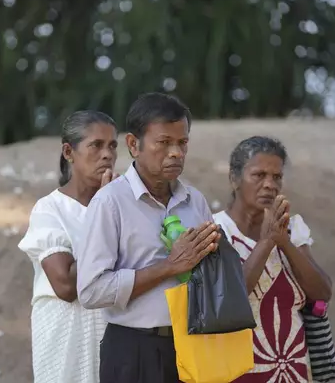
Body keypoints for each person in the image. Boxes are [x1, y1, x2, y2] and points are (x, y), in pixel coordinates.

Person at [76, 92, 221, 383]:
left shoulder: (196, 202)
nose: (176, 153)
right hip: (135, 352)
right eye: (164, 142)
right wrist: (169, 266)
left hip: (193, 347)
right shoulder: (109, 203)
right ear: (133, 145)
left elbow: (212, 278)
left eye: (182, 143)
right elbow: (91, 291)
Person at [212, 136, 333, 383]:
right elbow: (229, 299)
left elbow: (322, 292)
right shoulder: (215, 230)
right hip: (236, 373)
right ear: (234, 179)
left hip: (293, 371)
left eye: (277, 177)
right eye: (259, 175)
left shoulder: (292, 229)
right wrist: (266, 243)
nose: (270, 185)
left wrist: (284, 241)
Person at [18, 110, 119, 383]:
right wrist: (102, 212)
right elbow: (66, 286)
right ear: (68, 152)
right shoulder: (50, 210)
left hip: (116, 340)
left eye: (112, 146)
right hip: (68, 340)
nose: (107, 154)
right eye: (96, 145)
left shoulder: (123, 207)